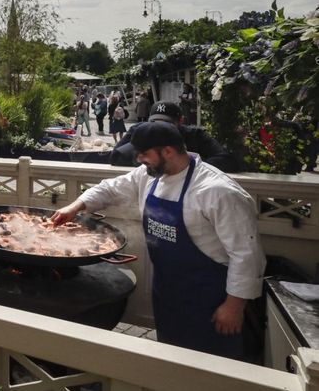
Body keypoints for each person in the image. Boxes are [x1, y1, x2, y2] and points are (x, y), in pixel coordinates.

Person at [51, 121, 265, 359]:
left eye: (144, 154)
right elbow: (110, 189)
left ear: (168, 151)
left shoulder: (217, 191)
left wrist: (234, 307)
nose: (139, 159)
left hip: (211, 298)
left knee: (213, 367)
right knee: (171, 359)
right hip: (167, 290)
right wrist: (74, 207)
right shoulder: (150, 175)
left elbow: (246, 254)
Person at [111, 101, 239, 172]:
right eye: (155, 123)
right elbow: (115, 157)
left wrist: (183, 164)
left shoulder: (194, 135)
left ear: (181, 121)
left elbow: (227, 161)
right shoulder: (140, 130)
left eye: (167, 124)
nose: (160, 129)